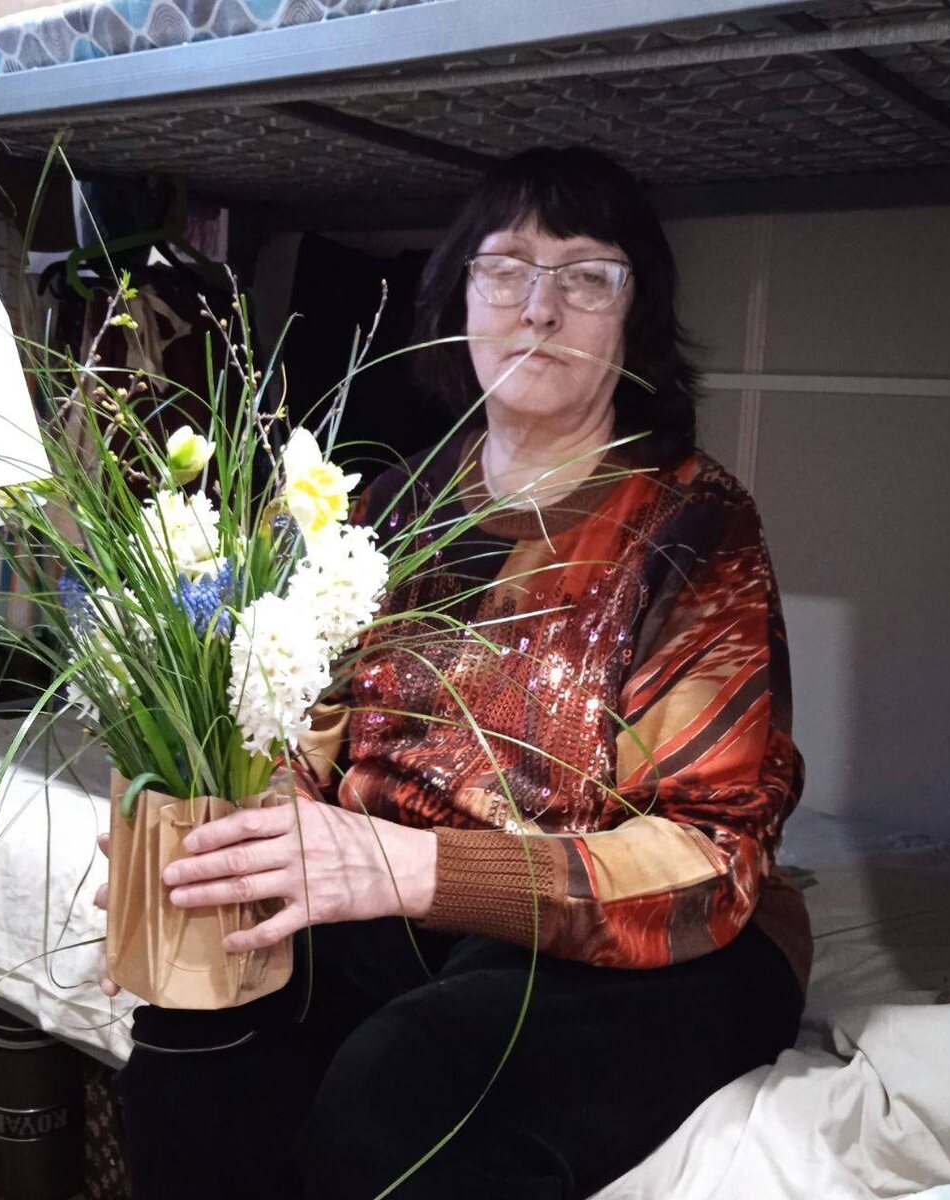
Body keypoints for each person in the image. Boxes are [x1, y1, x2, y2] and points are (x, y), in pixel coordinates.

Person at [98, 147, 810, 1200]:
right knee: (191, 1049)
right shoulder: (388, 506)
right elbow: (308, 742)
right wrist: (217, 838)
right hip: (412, 908)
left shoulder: (691, 524)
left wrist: (410, 869)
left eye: (587, 276)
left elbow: (712, 859)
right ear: (457, 298)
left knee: (398, 1095)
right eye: (505, 269)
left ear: (636, 316)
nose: (539, 307)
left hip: (657, 932)